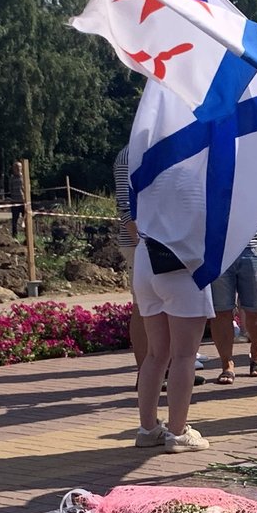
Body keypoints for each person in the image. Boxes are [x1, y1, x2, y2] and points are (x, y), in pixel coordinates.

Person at [132, 227, 214, 453]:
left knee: (155, 353)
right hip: (183, 259)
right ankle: (177, 432)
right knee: (184, 355)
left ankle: (148, 429)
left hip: (146, 256)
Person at [209, 198, 257, 383]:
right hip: (219, 251)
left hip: (252, 249)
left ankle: (256, 352)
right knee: (221, 310)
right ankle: (226, 364)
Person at [113, 145, 149, 380]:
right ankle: (145, 372)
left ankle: (164, 368)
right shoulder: (129, 154)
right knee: (143, 306)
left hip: (160, 242)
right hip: (140, 244)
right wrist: (144, 244)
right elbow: (126, 208)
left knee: (162, 308)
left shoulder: (154, 147)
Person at [9, 161, 24, 238]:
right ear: (13, 169)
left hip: (23, 202)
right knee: (14, 220)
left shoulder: (24, 177)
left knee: (26, 219)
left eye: (19, 167)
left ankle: (27, 236)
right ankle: (15, 236)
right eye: (16, 167)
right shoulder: (12, 178)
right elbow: (10, 189)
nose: (18, 169)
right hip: (14, 202)